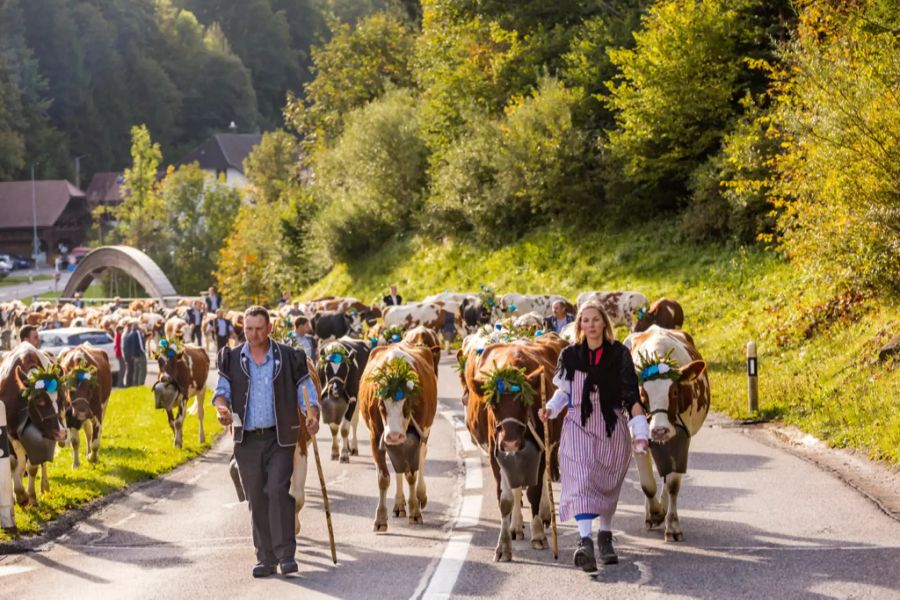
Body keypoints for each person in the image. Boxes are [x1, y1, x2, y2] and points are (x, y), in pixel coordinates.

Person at [538, 299, 649, 571]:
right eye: (585, 320)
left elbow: (631, 397)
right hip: (578, 424)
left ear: (604, 323)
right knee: (582, 478)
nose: (590, 325)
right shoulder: (570, 355)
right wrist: (551, 410)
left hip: (611, 424)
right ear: (579, 326)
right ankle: (585, 541)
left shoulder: (619, 355)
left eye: (595, 320)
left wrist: (640, 432)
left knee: (606, 483)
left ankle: (605, 535)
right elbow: (563, 392)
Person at [213, 306, 320, 578]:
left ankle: (286, 555)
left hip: (280, 437)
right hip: (247, 440)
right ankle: (265, 557)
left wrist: (312, 413)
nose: (253, 334)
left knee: (277, 490)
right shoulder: (232, 358)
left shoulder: (289, 357)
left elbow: (305, 390)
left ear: (269, 328)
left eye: (258, 329)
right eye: (248, 329)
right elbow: (221, 393)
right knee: (257, 498)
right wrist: (221, 410)